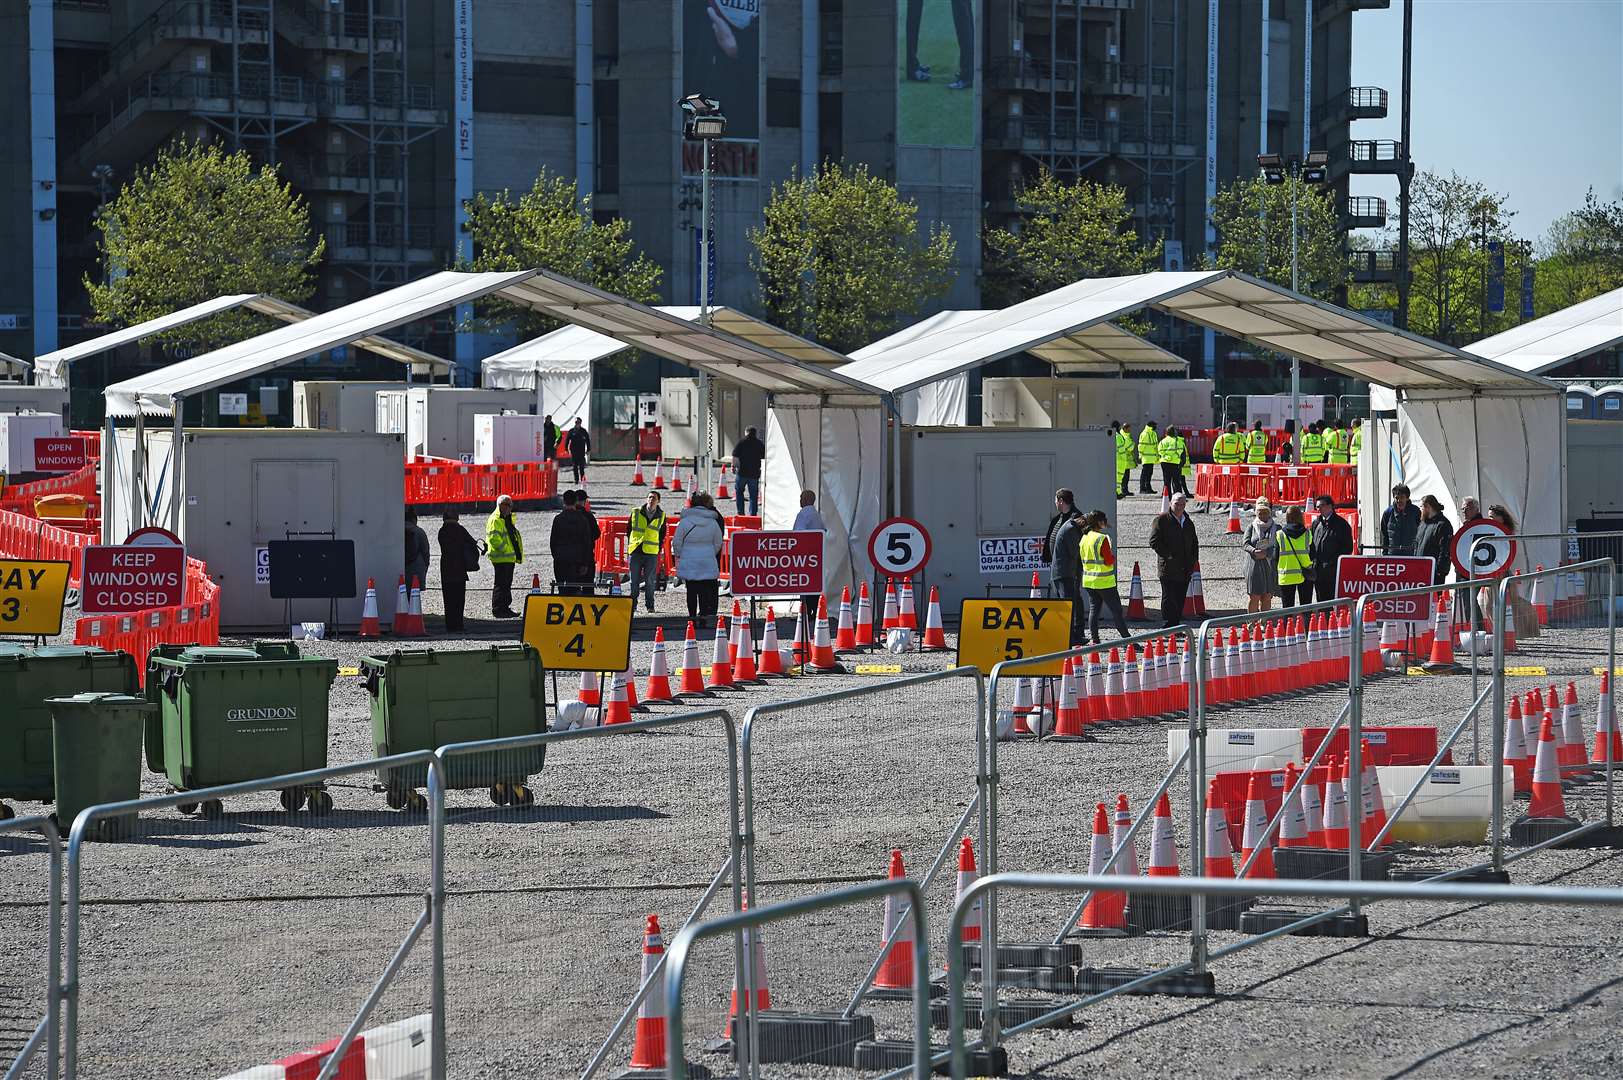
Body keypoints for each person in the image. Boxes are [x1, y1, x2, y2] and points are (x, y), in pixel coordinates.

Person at [1079, 510, 1131, 644]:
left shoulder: (1084, 537)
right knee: (1117, 611)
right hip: (1104, 582)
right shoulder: (1101, 539)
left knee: (1094, 610)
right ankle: (1128, 640)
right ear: (1100, 522)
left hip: (1089, 580)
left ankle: (1095, 639)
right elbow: (1108, 560)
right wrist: (1113, 558)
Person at [1148, 491, 1199, 628]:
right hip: (1168, 568)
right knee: (1169, 598)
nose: (1180, 507)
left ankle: (1175, 626)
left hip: (1185, 568)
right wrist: (1168, 555)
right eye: (1177, 503)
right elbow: (1154, 541)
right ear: (1171, 503)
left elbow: (1194, 542)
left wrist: (1193, 560)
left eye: (1183, 504)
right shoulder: (1162, 520)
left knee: (1180, 598)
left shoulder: (1187, 521)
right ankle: (1167, 625)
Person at [674, 491, 726, 622]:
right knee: (704, 590)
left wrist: (681, 554)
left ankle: (691, 616)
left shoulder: (685, 522)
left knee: (691, 590)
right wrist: (710, 553)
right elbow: (718, 542)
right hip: (707, 560)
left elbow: (677, 542)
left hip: (689, 560)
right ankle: (703, 616)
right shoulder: (713, 522)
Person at [1042, 488, 1085, 642]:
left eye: (1056, 500)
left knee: (1072, 600)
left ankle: (1076, 634)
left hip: (1069, 569)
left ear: (1061, 501)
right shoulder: (1060, 518)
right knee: (1064, 601)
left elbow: (1076, 548)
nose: (1055, 503)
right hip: (1059, 568)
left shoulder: (1075, 519)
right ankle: (1068, 633)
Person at [549, 490, 598, 596]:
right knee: (577, 590)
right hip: (578, 561)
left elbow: (553, 542)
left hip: (561, 561)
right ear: (576, 502)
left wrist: (557, 557)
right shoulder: (582, 519)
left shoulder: (558, 519)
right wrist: (585, 563)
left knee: (563, 590)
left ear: (563, 501)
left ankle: (564, 611)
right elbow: (587, 542)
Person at [1308, 493, 1354, 603]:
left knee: (1332, 600)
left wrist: (1333, 563)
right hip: (1318, 570)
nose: (1319, 509)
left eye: (1321, 506)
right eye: (1317, 507)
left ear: (1330, 506)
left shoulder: (1341, 524)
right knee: (1321, 601)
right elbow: (1311, 544)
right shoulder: (1316, 523)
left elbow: (1347, 548)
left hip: (1332, 571)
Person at [437, 510, 477, 632]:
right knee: (459, 600)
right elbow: (473, 544)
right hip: (459, 569)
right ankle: (459, 624)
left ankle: (450, 625)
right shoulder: (461, 530)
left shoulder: (442, 531)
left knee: (448, 600)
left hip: (446, 570)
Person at [627, 490, 667, 613]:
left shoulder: (662, 515)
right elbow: (628, 530)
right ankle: (632, 605)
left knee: (650, 581)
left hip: (651, 552)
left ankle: (650, 606)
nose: (651, 500)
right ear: (646, 499)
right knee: (634, 580)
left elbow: (662, 534)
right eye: (649, 497)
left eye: (654, 498)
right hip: (636, 550)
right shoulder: (636, 512)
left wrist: (657, 548)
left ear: (658, 501)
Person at [485, 494, 523, 618]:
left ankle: (504, 608)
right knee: (501, 584)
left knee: (506, 583)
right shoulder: (495, 519)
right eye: (507, 505)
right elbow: (494, 539)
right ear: (500, 505)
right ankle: (498, 609)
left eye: (510, 505)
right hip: (501, 557)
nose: (509, 508)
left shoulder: (505, 518)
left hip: (507, 557)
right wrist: (507, 550)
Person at [793, 489, 827, 621]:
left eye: (801, 497)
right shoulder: (816, 514)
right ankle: (813, 610)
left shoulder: (804, 514)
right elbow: (824, 530)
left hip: (805, 555)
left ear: (806, 499)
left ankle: (806, 611)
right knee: (814, 583)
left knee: (805, 583)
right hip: (816, 554)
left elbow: (798, 533)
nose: (799, 500)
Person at [1242, 497, 1280, 613]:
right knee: (1254, 596)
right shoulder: (1251, 527)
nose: (1262, 514)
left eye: (1265, 512)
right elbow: (1245, 544)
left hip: (1270, 565)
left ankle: (1264, 622)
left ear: (1269, 512)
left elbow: (1279, 547)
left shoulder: (1277, 528)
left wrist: (1268, 553)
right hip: (1254, 566)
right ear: (1256, 512)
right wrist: (1254, 551)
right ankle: (1251, 623)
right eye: (1260, 512)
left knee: (1267, 596)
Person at [1276, 506, 1313, 607]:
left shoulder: (1280, 535)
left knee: (1287, 609)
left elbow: (1275, 557)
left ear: (1287, 517)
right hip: (1305, 573)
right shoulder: (1307, 534)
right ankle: (1306, 623)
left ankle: (1288, 623)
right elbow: (1313, 553)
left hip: (1286, 575)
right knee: (1306, 608)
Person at [1415, 495, 1455, 585]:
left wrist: (1440, 570)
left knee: (1436, 598)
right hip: (1420, 569)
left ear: (1428, 507)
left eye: (1421, 507)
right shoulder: (1422, 524)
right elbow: (1417, 544)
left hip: (1435, 572)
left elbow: (1445, 549)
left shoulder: (1443, 524)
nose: (1421, 510)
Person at [732, 427, 766, 516]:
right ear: (755, 433)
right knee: (753, 496)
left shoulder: (741, 442)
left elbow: (735, 456)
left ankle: (741, 513)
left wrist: (734, 467)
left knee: (739, 492)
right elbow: (764, 457)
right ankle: (753, 514)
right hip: (754, 474)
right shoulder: (759, 443)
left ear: (746, 432)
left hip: (742, 472)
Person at [1380, 483, 1421, 555]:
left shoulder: (1416, 512)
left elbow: (1420, 535)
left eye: (1402, 497)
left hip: (1411, 556)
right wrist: (1385, 554)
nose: (1399, 501)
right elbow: (1384, 536)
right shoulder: (1388, 513)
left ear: (1407, 498)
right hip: (1392, 556)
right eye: (1397, 498)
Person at [404, 509, 431, 593]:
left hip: (400, 571)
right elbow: (426, 553)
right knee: (415, 599)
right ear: (413, 519)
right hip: (416, 570)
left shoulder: (397, 531)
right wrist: (424, 569)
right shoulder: (419, 532)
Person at [1157, 426, 1184, 496]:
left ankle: (1167, 496)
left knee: (1166, 480)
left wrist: (1167, 457)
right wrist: (1174, 456)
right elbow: (1180, 450)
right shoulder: (1178, 441)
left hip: (1164, 462)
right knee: (1176, 481)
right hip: (1175, 462)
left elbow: (1160, 451)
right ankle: (1178, 496)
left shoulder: (1163, 441)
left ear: (1166, 433)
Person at [1113, 422, 1136, 498]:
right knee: (1119, 478)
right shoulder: (1118, 436)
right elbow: (1121, 449)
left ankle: (1117, 492)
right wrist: (1124, 459)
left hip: (1114, 460)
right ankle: (1118, 493)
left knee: (1115, 478)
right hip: (1120, 460)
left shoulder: (1111, 436)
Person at [1136, 420, 1160, 493]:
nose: (1156, 427)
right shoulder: (1145, 434)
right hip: (1146, 458)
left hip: (1151, 458)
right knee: (1144, 474)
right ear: (1151, 426)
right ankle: (1142, 488)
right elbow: (1141, 446)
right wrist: (1140, 456)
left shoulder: (1154, 434)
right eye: (1154, 425)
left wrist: (1157, 456)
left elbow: (1156, 446)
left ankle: (1148, 488)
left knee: (1149, 474)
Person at [565, 418, 591, 484]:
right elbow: (567, 440)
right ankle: (576, 480)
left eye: (579, 422)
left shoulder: (583, 431)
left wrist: (588, 449)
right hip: (573, 451)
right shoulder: (571, 431)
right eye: (576, 422)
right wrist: (566, 449)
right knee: (574, 466)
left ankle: (582, 479)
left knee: (581, 466)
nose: (577, 424)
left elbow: (588, 441)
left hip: (581, 451)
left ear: (580, 423)